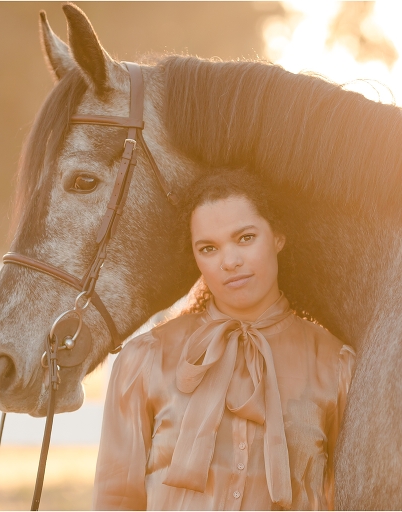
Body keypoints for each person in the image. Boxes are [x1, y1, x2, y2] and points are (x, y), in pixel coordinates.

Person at [93, 170, 356, 510]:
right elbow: (116, 498)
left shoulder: (335, 364)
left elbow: (352, 499)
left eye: (245, 238)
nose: (230, 262)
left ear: (278, 236)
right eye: (209, 248)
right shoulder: (146, 359)